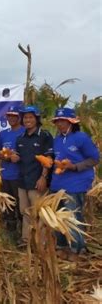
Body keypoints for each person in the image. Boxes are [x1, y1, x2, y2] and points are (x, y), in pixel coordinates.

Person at [50, 108, 99, 260]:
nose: (60, 124)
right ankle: (62, 245)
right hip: (58, 183)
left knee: (72, 217)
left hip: (76, 183)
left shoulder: (81, 138)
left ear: (71, 122)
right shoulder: (57, 139)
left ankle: (78, 248)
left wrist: (74, 167)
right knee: (58, 217)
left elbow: (94, 159)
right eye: (58, 121)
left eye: (63, 121)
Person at [11, 105, 53, 246]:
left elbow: (48, 159)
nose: (27, 120)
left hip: (37, 181)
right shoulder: (20, 138)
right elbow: (17, 156)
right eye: (25, 117)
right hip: (23, 180)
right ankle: (26, 240)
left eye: (30, 117)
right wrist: (13, 157)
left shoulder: (44, 136)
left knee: (39, 212)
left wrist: (43, 177)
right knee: (25, 212)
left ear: (36, 119)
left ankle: (41, 242)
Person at [0, 105, 25, 233]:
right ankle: (10, 234)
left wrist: (19, 157)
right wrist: (4, 156)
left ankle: (23, 233)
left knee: (21, 207)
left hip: (20, 176)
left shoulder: (25, 132)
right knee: (8, 206)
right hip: (5, 175)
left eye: (14, 116)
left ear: (20, 117)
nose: (11, 118)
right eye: (9, 116)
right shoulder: (3, 134)